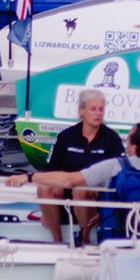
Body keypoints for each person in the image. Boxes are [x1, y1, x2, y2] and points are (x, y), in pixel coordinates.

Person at [5, 121, 140, 245]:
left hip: (114, 242)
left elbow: (69, 180)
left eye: (129, 138)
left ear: (133, 148)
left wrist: (29, 177)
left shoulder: (112, 167)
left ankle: (75, 242)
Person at [31, 89, 123, 243]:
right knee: (44, 187)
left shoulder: (111, 139)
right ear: (82, 111)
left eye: (101, 109)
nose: (98, 113)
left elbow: (120, 176)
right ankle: (57, 241)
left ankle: (85, 240)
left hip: (95, 195)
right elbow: (50, 170)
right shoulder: (66, 136)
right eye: (93, 109)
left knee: (81, 190)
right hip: (67, 190)